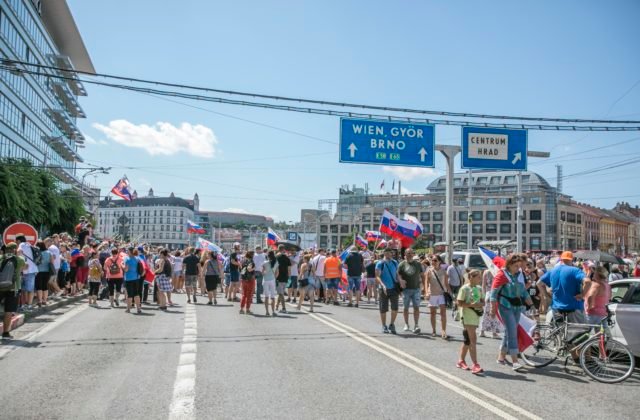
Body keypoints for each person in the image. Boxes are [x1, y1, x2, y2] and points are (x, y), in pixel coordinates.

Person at [489, 254, 532, 372]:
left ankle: (501, 357)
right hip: (505, 306)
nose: (518, 268)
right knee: (513, 332)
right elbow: (493, 294)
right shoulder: (502, 275)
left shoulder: (517, 275)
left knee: (509, 332)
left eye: (519, 265)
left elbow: (523, 291)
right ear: (509, 265)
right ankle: (515, 361)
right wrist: (492, 309)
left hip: (517, 307)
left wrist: (531, 305)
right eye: (516, 266)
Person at [540, 251, 588, 325]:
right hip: (574, 307)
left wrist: (546, 295)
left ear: (561, 259)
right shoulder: (575, 270)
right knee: (579, 333)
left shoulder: (553, 270)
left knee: (560, 333)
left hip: (557, 308)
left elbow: (539, 283)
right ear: (572, 259)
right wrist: (582, 294)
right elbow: (587, 281)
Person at [456, 269, 485, 374]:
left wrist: (480, 305)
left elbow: (483, 302)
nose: (480, 279)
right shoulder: (464, 288)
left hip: (475, 316)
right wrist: (472, 305)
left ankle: (461, 361)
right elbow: (459, 303)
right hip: (467, 316)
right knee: (473, 340)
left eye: (480, 277)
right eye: (478, 277)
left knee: (467, 340)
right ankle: (475, 364)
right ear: (471, 277)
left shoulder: (479, 288)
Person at [0, 243, 25, 339]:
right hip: (13, 288)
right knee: (8, 311)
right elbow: (24, 268)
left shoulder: (1, 258)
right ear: (15, 250)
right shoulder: (19, 259)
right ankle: (6, 333)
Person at [398, 248, 423, 334]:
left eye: (410, 253)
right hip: (406, 290)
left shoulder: (418, 264)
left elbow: (422, 275)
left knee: (416, 308)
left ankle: (416, 325)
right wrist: (401, 280)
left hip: (416, 289)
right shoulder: (401, 264)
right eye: (407, 253)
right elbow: (398, 275)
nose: (409, 255)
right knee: (406, 308)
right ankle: (406, 324)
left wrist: (422, 286)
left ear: (413, 254)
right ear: (405, 254)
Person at [375, 248, 400, 334]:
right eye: (388, 253)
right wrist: (382, 285)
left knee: (395, 308)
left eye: (391, 253)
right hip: (383, 289)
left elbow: (397, 275)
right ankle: (384, 325)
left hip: (394, 288)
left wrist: (401, 281)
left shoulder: (395, 262)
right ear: (384, 253)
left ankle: (392, 324)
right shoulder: (380, 263)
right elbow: (377, 276)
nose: (390, 254)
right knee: (383, 309)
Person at [426, 254, 450, 339]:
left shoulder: (444, 271)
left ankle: (443, 331)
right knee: (433, 313)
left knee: (443, 313)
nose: (433, 262)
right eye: (432, 260)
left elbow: (446, 283)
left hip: (441, 294)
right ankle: (434, 330)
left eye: (435, 260)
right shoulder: (429, 270)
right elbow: (427, 283)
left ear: (439, 261)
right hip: (432, 294)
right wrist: (426, 292)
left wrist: (450, 293)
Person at [16, 235, 37, 311]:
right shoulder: (29, 245)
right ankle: (28, 305)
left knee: (27, 289)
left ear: (19, 241)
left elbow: (18, 252)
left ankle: (27, 305)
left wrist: (16, 258)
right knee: (27, 289)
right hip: (31, 269)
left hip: (28, 270)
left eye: (16, 242)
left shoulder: (22, 244)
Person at [480, 269, 502, 339]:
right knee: (494, 313)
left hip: (488, 293)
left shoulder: (486, 272)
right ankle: (494, 332)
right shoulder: (498, 271)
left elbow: (483, 285)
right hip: (495, 294)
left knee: (486, 313)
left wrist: (483, 295)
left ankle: (482, 331)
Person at [122, 247, 142, 314]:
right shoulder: (137, 258)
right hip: (136, 278)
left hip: (129, 278)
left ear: (130, 252)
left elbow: (126, 269)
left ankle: (128, 309)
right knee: (136, 294)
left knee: (129, 295)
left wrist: (122, 265)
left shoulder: (127, 259)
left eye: (127, 251)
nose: (127, 252)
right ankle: (138, 308)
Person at [34, 240, 53, 308]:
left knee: (39, 286)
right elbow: (52, 261)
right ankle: (45, 300)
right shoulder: (49, 252)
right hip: (47, 271)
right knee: (45, 286)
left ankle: (39, 301)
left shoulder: (37, 253)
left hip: (38, 271)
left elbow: (35, 262)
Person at [275, 245, 291, 313]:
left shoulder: (276, 257)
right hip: (285, 277)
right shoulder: (287, 258)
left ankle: (284, 308)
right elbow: (289, 269)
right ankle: (277, 306)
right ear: (283, 249)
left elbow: (274, 268)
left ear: (278, 249)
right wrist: (289, 277)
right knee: (280, 292)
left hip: (278, 277)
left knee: (280, 293)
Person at [262, 250, 278, 316]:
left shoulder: (265, 263)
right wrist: (274, 277)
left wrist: (265, 274)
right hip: (272, 280)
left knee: (266, 296)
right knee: (273, 297)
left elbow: (262, 272)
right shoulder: (276, 262)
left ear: (268, 256)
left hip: (265, 280)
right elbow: (277, 273)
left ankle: (267, 312)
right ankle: (273, 311)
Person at [239, 250, 256, 315]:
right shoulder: (251, 261)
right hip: (250, 279)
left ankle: (241, 309)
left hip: (243, 279)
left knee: (244, 294)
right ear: (252, 255)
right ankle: (247, 309)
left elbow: (241, 268)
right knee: (249, 295)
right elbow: (249, 269)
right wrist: (254, 268)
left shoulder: (243, 260)